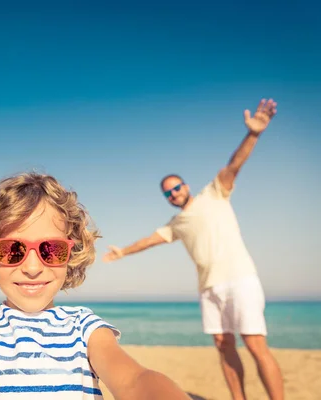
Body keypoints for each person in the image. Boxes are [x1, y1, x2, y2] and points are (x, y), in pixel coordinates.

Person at [0, 172, 190, 399]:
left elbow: (134, 379)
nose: (31, 267)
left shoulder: (85, 327)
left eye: (50, 250)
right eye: (12, 250)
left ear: (71, 253)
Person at [103, 98, 284, 400]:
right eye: (168, 193)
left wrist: (254, 134)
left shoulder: (214, 194)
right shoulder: (177, 223)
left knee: (255, 345)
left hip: (240, 279)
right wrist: (123, 252)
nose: (174, 193)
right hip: (208, 288)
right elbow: (148, 240)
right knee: (223, 347)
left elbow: (235, 164)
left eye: (177, 187)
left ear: (186, 186)